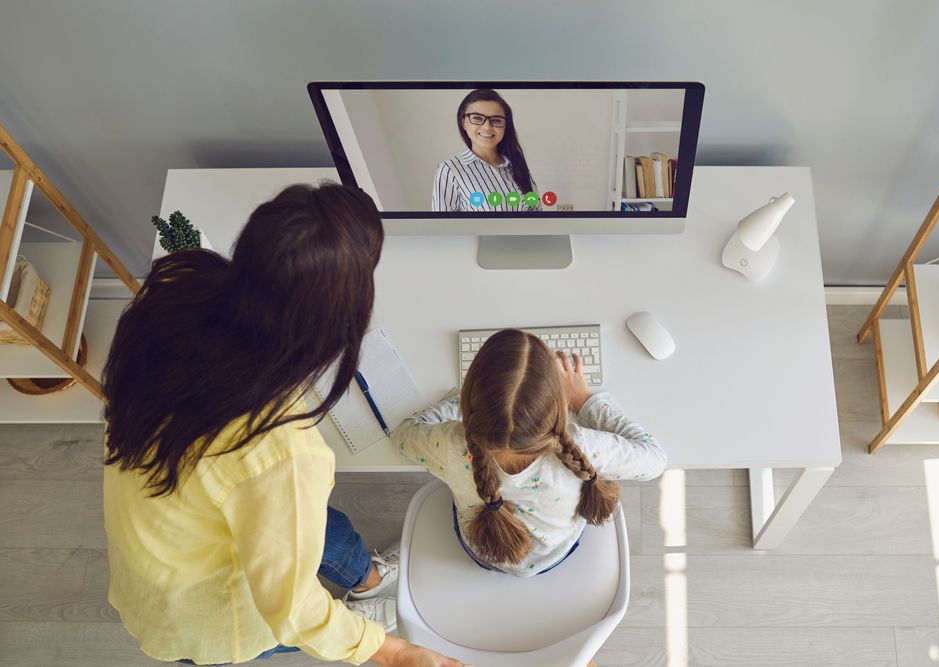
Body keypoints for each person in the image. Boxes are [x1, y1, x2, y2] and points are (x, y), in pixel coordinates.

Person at [102, 183, 468, 667]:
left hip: (168, 519)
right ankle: (365, 615)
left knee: (313, 519)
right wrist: (395, 653)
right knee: (302, 601)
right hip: (204, 606)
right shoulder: (280, 454)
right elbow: (292, 611)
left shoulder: (180, 287)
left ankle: (367, 579)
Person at [392, 329, 667, 575]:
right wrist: (584, 400)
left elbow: (403, 436)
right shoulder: (585, 448)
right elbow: (655, 458)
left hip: (482, 550)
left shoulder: (452, 443)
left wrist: (460, 403)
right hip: (555, 553)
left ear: (472, 402)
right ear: (558, 405)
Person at [431, 88, 541, 212]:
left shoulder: (516, 165)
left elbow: (537, 214)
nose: (487, 126)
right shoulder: (449, 170)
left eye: (496, 120)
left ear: (505, 126)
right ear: (463, 123)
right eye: (477, 118)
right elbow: (443, 228)